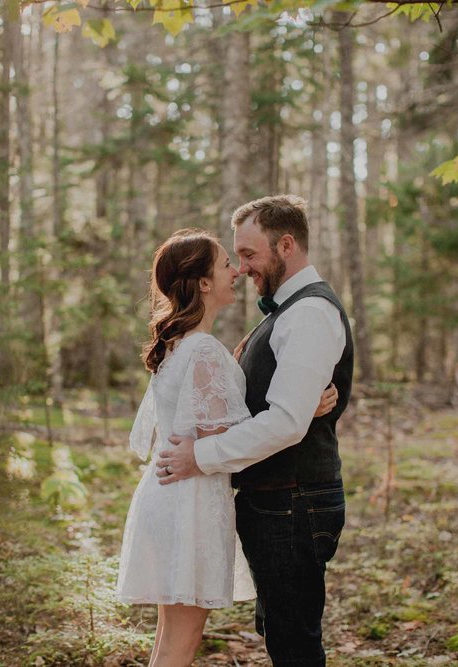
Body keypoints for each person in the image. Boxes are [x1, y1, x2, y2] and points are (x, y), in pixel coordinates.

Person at [116, 228, 340, 667]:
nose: (236, 271)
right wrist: (302, 407)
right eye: (224, 264)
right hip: (190, 502)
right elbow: (232, 435)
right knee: (180, 642)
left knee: (169, 640)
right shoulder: (202, 350)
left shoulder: (184, 346)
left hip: (172, 494)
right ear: (202, 282)